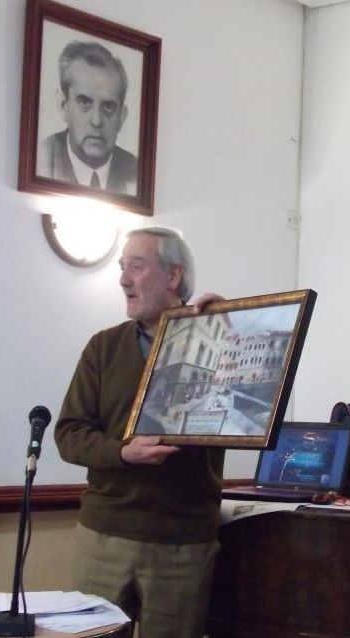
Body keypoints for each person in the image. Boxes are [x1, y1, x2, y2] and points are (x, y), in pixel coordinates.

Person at [54, 227, 223, 638]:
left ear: (173, 275)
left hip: (182, 541)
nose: (123, 279)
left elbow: (255, 389)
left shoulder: (218, 338)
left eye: (137, 266)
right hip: (104, 534)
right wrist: (122, 452)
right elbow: (69, 433)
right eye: (122, 267)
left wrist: (235, 323)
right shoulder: (103, 347)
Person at [37, 41, 138, 195]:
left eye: (108, 107)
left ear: (122, 117)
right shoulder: (41, 159)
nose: (96, 121)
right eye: (84, 103)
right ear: (64, 106)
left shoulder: (137, 173)